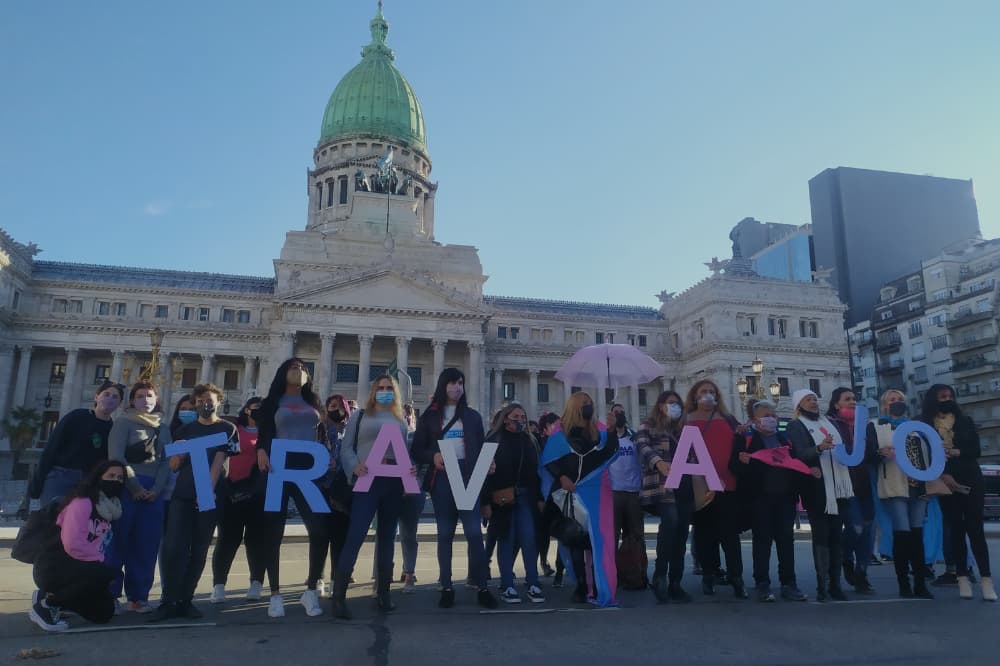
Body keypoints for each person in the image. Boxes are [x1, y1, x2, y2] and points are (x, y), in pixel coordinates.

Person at [149, 383, 237, 622]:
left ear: (219, 401)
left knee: (198, 550)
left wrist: (205, 493)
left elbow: (219, 463)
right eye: (200, 401)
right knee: (173, 548)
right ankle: (169, 600)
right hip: (183, 493)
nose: (204, 404)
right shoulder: (186, 430)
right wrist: (178, 452)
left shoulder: (227, 428)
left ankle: (186, 600)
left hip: (209, 494)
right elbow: (175, 465)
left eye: (209, 400)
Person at [411, 368, 498, 610]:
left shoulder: (472, 416)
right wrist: (434, 455)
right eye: (451, 383)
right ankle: (446, 586)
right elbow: (417, 450)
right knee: (446, 534)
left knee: (473, 533)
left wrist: (488, 466)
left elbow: (480, 448)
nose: (456, 387)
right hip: (443, 478)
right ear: (442, 385)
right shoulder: (429, 416)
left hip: (470, 477)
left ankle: (482, 586)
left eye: (460, 382)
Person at [331, 375, 416, 619]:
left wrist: (408, 470)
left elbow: (403, 452)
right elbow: (347, 447)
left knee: (388, 539)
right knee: (356, 535)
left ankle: (383, 592)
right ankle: (339, 596)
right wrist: (353, 467)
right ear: (373, 391)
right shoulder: (360, 416)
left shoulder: (400, 420)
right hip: (368, 479)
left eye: (390, 388)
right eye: (381, 388)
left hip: (393, 482)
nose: (385, 391)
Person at [254, 358, 329, 618]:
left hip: (309, 468)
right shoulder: (272, 403)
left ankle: (310, 590)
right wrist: (261, 451)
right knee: (273, 532)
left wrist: (326, 457)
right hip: (278, 467)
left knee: (319, 527)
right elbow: (264, 432)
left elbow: (322, 435)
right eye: (293, 367)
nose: (299, 371)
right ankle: (274, 593)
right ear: (283, 373)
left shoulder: (315, 403)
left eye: (304, 369)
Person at [541, 391, 619, 606]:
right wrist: (562, 476)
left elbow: (608, 454)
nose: (589, 406)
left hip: (596, 491)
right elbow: (548, 459)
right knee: (576, 538)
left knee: (597, 542)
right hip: (572, 491)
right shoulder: (562, 431)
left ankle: (599, 584)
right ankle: (582, 585)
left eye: (591, 403)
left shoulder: (600, 431)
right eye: (585, 403)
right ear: (575, 406)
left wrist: (612, 431)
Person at [30, 459, 127, 631]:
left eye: (120, 478)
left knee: (104, 613)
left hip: (79, 568)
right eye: (111, 476)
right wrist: (99, 563)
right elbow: (72, 544)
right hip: (54, 565)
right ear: (98, 477)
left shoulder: (109, 509)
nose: (116, 481)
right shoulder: (82, 502)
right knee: (105, 573)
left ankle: (57, 599)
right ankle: (46, 605)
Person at [922, 384, 995, 601]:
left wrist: (954, 451)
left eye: (950, 396)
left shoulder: (965, 421)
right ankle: (961, 576)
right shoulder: (925, 425)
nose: (947, 399)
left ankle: (986, 579)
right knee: (955, 530)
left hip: (971, 479)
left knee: (976, 530)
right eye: (942, 396)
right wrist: (943, 474)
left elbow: (976, 451)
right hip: (944, 481)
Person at [731, 400, 808, 602]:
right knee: (762, 541)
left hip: (785, 497)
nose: (771, 418)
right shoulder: (746, 438)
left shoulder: (785, 439)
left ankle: (789, 583)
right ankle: (762, 583)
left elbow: (795, 464)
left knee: (786, 541)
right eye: (766, 415)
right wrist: (744, 460)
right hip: (759, 497)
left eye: (773, 415)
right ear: (755, 419)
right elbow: (734, 466)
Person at [106, 381, 171, 614]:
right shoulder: (123, 423)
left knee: (146, 545)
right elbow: (116, 457)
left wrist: (157, 489)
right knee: (118, 542)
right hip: (126, 488)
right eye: (140, 396)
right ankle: (110, 595)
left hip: (154, 493)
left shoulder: (163, 428)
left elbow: (166, 462)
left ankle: (138, 597)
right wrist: (134, 487)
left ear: (157, 400)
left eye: (150, 396)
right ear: (132, 401)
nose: (146, 400)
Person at [866, 390, 936, 598]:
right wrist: (880, 453)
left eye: (900, 400)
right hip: (894, 484)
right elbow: (868, 454)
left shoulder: (918, 428)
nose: (897, 403)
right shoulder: (876, 426)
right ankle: (904, 582)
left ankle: (921, 583)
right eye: (892, 400)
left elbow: (930, 454)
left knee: (917, 533)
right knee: (902, 532)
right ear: (884, 405)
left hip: (918, 485)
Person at [787, 389, 854, 602]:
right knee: (822, 536)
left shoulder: (829, 423)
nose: (813, 402)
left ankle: (835, 583)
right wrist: (818, 448)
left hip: (839, 487)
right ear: (799, 405)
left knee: (836, 536)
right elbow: (799, 453)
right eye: (808, 400)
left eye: (815, 399)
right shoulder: (796, 426)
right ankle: (822, 585)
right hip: (817, 489)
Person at [684, 380, 747, 598]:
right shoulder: (686, 420)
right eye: (703, 392)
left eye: (712, 391)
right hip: (701, 484)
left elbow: (740, 445)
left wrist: (742, 435)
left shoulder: (729, 420)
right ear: (694, 396)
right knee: (704, 534)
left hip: (727, 483)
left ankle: (736, 577)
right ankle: (708, 575)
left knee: (730, 534)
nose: (708, 395)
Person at [635, 390, 693, 603]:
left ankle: (676, 581)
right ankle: (660, 576)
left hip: (685, 486)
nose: (675, 406)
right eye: (671, 403)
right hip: (663, 485)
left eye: (678, 403)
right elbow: (641, 445)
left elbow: (695, 456)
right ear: (661, 406)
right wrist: (658, 462)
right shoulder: (648, 424)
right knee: (670, 524)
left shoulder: (685, 429)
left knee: (681, 533)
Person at [29, 380, 124, 506]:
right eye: (106, 394)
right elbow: (51, 449)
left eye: (115, 397)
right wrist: (37, 484)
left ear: (119, 404)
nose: (110, 399)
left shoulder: (114, 429)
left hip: (88, 482)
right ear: (96, 396)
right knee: (51, 521)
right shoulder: (76, 417)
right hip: (60, 477)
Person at [211, 397, 268, 603]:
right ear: (246, 409)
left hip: (258, 493)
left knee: (256, 540)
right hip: (231, 489)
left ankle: (256, 583)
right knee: (228, 539)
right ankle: (219, 585)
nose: (259, 411)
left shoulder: (269, 433)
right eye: (256, 408)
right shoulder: (233, 429)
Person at [486, 403, 545, 604]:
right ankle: (508, 585)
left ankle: (533, 582)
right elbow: (485, 475)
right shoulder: (493, 440)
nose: (520, 420)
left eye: (523, 417)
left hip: (525, 497)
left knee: (529, 539)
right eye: (516, 416)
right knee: (506, 540)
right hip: (502, 499)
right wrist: (486, 502)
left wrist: (539, 498)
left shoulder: (529, 440)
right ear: (505, 417)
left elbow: (535, 473)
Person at [827, 387, 875, 594]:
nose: (852, 402)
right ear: (837, 404)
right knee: (856, 527)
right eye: (847, 399)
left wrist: (879, 452)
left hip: (865, 484)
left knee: (868, 531)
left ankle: (862, 573)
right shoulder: (830, 425)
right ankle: (845, 556)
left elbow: (871, 453)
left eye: (854, 398)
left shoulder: (864, 425)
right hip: (846, 485)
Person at [607, 403, 643, 549]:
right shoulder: (606, 439)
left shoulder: (634, 437)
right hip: (614, 492)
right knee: (612, 534)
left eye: (622, 412)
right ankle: (613, 569)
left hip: (633, 492)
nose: (619, 415)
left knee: (636, 534)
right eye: (616, 412)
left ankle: (637, 569)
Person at [536, 412, 563, 583]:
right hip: (544, 493)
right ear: (545, 429)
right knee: (543, 532)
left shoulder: (563, 443)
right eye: (554, 424)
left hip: (561, 493)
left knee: (563, 531)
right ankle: (543, 561)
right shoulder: (539, 445)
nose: (558, 428)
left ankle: (560, 569)